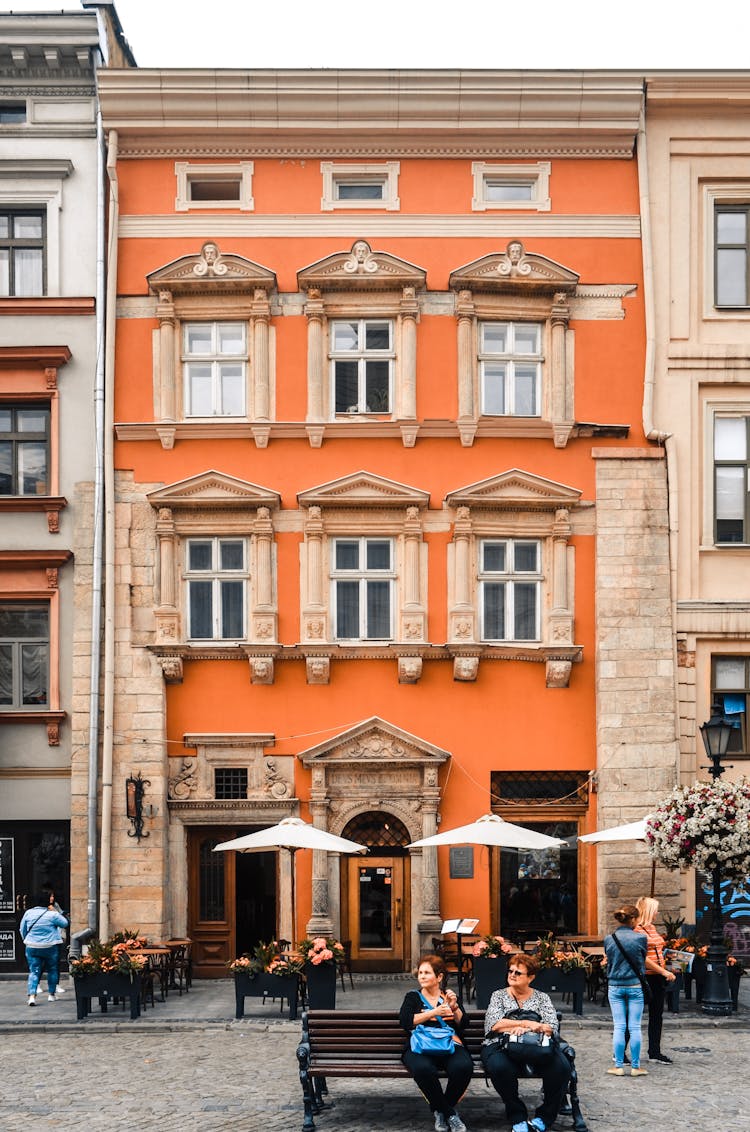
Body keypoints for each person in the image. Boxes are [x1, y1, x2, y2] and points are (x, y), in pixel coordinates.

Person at [481, 952, 571, 1132]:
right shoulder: (498, 996)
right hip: (501, 1045)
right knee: (499, 1067)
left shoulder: (541, 998)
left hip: (536, 1046)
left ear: (531, 977)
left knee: (562, 1068)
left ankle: (544, 1118)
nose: (512, 975)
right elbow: (493, 1024)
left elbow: (551, 1026)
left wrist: (527, 1030)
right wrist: (525, 1023)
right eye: (510, 971)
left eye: (517, 973)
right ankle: (517, 1116)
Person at [400, 953, 473, 1132]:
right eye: (420, 973)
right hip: (421, 1046)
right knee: (423, 1069)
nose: (422, 976)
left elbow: (463, 1024)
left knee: (463, 1067)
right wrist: (433, 1013)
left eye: (427, 973)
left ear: (439, 977)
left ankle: (441, 1110)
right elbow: (406, 1021)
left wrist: (454, 1007)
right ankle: (449, 1113)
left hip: (449, 1044)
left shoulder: (448, 996)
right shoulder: (413, 997)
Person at [603, 904, 648, 1077]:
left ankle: (619, 1066)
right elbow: (641, 960)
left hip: (615, 985)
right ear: (634, 919)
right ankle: (636, 1067)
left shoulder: (609, 938)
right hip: (634, 985)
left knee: (619, 1026)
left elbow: (609, 958)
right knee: (635, 1026)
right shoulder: (640, 938)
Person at [635, 896, 677, 1063]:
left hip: (658, 977)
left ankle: (654, 1051)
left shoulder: (651, 928)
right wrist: (663, 971)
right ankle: (620, 1052)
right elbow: (643, 957)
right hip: (645, 977)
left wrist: (668, 964)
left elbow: (656, 951)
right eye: (655, 910)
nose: (658, 913)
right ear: (648, 910)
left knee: (657, 1015)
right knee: (635, 1015)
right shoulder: (637, 930)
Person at [19, 890, 68, 1006]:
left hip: (32, 946)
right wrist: (55, 911)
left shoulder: (28, 913)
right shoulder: (52, 914)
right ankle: (51, 995)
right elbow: (65, 923)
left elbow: (22, 929)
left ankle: (32, 996)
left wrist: (27, 939)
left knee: (34, 971)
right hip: (50, 946)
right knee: (52, 969)